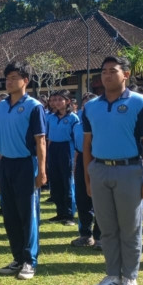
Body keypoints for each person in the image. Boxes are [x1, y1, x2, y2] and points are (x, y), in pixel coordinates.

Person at [83, 56, 143, 285]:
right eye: (103, 71)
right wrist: (88, 177)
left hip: (129, 170)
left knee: (130, 228)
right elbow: (87, 144)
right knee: (107, 228)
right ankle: (112, 275)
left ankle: (130, 279)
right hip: (100, 170)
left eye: (112, 71)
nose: (106, 75)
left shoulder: (141, 103)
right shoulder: (91, 106)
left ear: (125, 74)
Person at [0, 62, 47, 280]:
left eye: (14, 77)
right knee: (10, 214)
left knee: (28, 214)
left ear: (26, 81)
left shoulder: (34, 107)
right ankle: (17, 257)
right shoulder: (0, 106)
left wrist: (42, 171)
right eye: (7, 78)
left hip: (26, 164)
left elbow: (40, 140)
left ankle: (29, 261)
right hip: (6, 164)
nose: (9, 81)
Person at [70, 93, 101, 247]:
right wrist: (75, 166)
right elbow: (77, 148)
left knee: (101, 200)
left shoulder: (102, 124)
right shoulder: (77, 126)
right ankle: (85, 234)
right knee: (82, 199)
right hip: (82, 161)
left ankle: (100, 236)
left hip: (99, 160)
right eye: (85, 104)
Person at [46, 90, 79, 226]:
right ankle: (60, 213)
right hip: (53, 149)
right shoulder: (51, 117)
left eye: (61, 99)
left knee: (67, 182)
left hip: (67, 149)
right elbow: (48, 137)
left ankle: (69, 215)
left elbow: (76, 139)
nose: (57, 102)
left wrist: (75, 158)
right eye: (55, 100)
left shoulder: (73, 118)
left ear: (68, 101)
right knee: (56, 182)